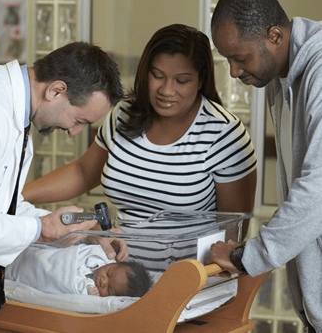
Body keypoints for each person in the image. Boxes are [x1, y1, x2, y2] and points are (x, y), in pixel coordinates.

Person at [22, 24, 257, 270]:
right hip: (121, 280)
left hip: (187, 285)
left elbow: (233, 233)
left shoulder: (224, 134)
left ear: (200, 80)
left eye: (182, 80)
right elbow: (83, 173)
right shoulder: (123, 115)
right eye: (158, 76)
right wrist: (14, 197)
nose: (166, 90)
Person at [204, 0, 322, 332]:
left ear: (274, 36)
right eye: (228, 59)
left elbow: (318, 187)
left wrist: (247, 257)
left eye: (240, 58)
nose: (234, 72)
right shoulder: (279, 77)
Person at [0, 41, 127, 292]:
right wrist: (41, 229)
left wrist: (74, 230)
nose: (74, 133)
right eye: (78, 120)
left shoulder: (14, 114)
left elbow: (1, 209)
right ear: (56, 91)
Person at [5, 244, 153, 298]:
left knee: (15, 271)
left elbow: (74, 290)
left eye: (110, 290)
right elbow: (83, 248)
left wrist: (86, 292)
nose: (103, 282)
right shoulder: (99, 255)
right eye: (108, 273)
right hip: (39, 255)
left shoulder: (91, 293)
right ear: (113, 263)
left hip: (32, 276)